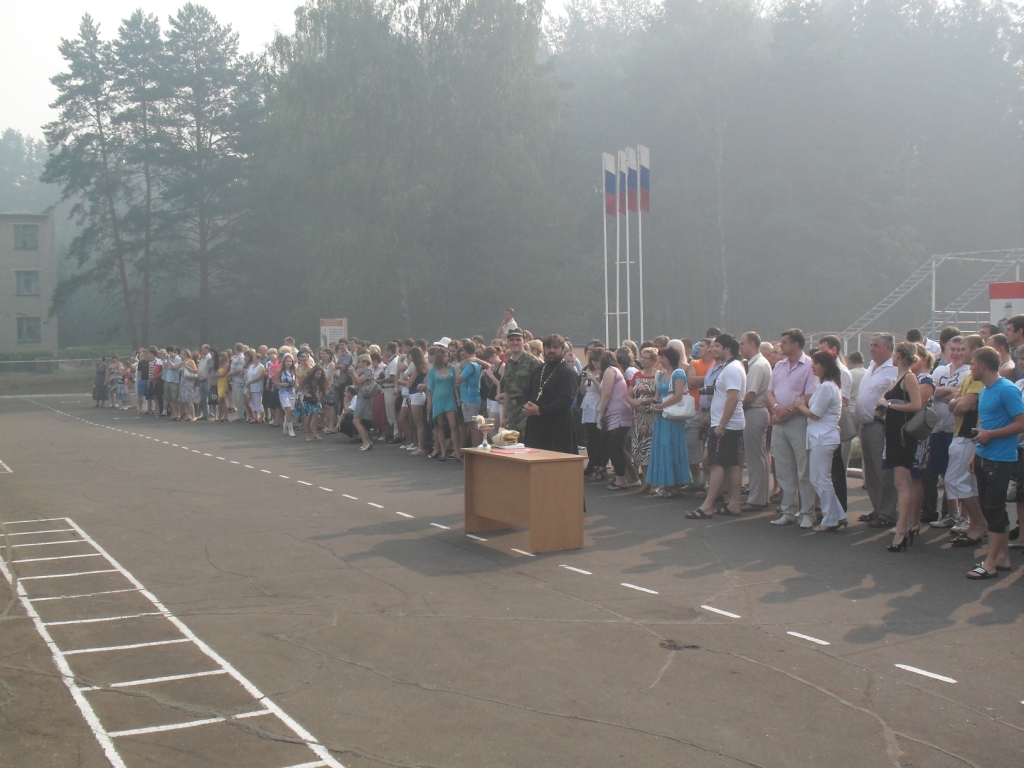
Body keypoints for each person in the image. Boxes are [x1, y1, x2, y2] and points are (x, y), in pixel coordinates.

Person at [968, 346, 1024, 578]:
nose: (970, 368)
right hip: (984, 455)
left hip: (1000, 459)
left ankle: (990, 563)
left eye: (972, 364)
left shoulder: (1007, 389)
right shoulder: (985, 390)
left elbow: (1021, 423)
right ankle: (1002, 558)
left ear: (982, 366)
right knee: (991, 509)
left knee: (994, 509)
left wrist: (990, 435)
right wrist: (975, 453)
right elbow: (986, 425)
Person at [689, 335, 745, 518]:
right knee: (732, 464)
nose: (713, 349)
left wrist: (722, 424)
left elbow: (733, 398)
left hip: (726, 425)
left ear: (727, 349)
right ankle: (734, 504)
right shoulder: (728, 368)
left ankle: (707, 506)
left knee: (716, 464)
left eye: (717, 346)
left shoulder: (732, 369)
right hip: (726, 423)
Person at [766, 329, 818, 527]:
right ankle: (788, 510)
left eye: (785, 342)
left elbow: (810, 394)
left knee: (803, 468)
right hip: (780, 421)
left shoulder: (809, 365)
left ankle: (808, 513)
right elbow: (769, 392)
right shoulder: (779, 365)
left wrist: (788, 411)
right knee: (783, 468)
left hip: (798, 421)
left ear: (796, 344)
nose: (781, 345)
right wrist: (776, 408)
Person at [876, 342, 923, 552]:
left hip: (904, 435)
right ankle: (907, 525)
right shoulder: (899, 377)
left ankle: (902, 529)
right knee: (901, 483)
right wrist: (884, 407)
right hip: (894, 433)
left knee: (901, 483)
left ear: (900, 355)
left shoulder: (909, 377)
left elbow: (916, 405)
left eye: (894, 353)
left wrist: (889, 405)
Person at [794, 350, 847, 531]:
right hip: (822, 435)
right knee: (819, 478)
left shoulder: (827, 387)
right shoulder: (825, 385)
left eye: (816, 363)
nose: (812, 367)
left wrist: (801, 406)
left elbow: (815, 414)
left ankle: (831, 518)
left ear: (824, 366)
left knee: (820, 479)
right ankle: (837, 514)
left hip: (823, 436)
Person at [855, 333, 899, 528]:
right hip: (865, 425)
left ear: (888, 348)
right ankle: (878, 509)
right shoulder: (872, 366)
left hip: (880, 426)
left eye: (876, 345)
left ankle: (888, 513)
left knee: (883, 472)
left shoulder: (893, 369)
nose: (872, 348)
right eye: (871, 345)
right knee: (871, 472)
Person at [946, 335, 987, 544]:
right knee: (969, 484)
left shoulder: (978, 377)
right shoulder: (970, 376)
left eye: (964, 349)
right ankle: (975, 523)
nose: (960, 353)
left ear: (976, 350)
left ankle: (979, 522)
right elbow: (954, 405)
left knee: (954, 481)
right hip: (961, 433)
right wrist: (958, 402)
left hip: (967, 435)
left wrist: (958, 403)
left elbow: (962, 406)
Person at [522, 334, 579, 454]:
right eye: (548, 347)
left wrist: (540, 410)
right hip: (536, 425)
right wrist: (527, 405)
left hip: (558, 426)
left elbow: (566, 400)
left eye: (555, 347)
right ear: (544, 349)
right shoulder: (538, 369)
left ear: (562, 349)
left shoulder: (567, 372)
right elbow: (528, 392)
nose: (551, 350)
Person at [647, 346, 691, 496]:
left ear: (670, 359)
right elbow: (657, 394)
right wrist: (654, 405)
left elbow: (678, 394)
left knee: (671, 446)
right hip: (661, 416)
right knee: (661, 447)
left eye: (663, 358)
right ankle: (665, 483)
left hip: (672, 416)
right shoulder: (661, 375)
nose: (660, 360)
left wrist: (661, 406)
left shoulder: (678, 374)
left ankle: (674, 484)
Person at [740, 332, 771, 510]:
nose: (740, 347)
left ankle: (756, 499)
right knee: (759, 457)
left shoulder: (758, 365)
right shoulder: (755, 363)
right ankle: (760, 496)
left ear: (752, 344)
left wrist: (735, 408)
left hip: (753, 411)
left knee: (755, 458)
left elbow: (750, 395)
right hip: (755, 411)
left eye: (742, 343)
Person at [598, 350, 634, 490]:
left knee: (615, 448)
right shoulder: (616, 371)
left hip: (617, 413)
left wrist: (601, 413)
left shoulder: (609, 371)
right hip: (620, 412)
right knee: (617, 447)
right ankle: (627, 477)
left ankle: (621, 480)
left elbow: (606, 393)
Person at [627, 346, 659, 494]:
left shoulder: (658, 376)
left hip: (652, 417)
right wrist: (634, 404)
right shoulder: (637, 375)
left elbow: (660, 395)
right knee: (641, 449)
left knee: (651, 450)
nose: (642, 360)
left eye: (645, 358)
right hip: (638, 418)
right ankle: (646, 481)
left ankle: (655, 482)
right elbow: (628, 395)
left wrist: (643, 401)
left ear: (653, 360)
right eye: (641, 357)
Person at [502, 329, 541, 438]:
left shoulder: (533, 362)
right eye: (511, 340)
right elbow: (507, 392)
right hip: (512, 412)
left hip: (526, 411)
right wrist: (504, 416)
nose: (515, 342)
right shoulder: (508, 364)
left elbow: (539, 390)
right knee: (512, 443)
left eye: (518, 339)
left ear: (524, 341)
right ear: (507, 342)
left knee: (527, 443)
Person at [427, 347, 460, 461]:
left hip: (449, 398)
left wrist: (458, 399)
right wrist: (429, 403)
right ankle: (443, 451)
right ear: (440, 357)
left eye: (448, 356)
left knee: (453, 425)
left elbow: (455, 385)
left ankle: (457, 451)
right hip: (437, 399)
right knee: (439, 426)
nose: (447, 358)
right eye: (445, 356)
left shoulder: (452, 368)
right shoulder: (432, 370)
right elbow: (430, 388)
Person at [581, 347, 607, 480]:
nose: (595, 363)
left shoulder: (605, 372)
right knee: (590, 438)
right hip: (588, 405)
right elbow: (582, 391)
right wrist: (583, 380)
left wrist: (594, 379)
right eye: (593, 360)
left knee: (599, 439)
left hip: (598, 405)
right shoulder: (588, 369)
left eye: (597, 360)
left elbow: (602, 391)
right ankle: (592, 464)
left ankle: (600, 466)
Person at [456, 341, 484, 449]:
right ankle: (475, 449)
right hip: (470, 398)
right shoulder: (475, 363)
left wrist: (457, 369)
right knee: (472, 427)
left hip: (470, 399)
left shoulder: (471, 365)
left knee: (474, 428)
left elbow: (459, 379)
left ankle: (477, 450)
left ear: (465, 351)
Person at [351, 354, 377, 451]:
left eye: (359, 361)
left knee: (356, 420)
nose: (358, 363)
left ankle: (365, 442)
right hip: (361, 395)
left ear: (365, 362)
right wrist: (353, 374)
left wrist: (354, 372)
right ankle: (367, 441)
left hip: (365, 397)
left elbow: (360, 379)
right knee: (359, 420)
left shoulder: (368, 370)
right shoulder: (362, 371)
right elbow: (356, 382)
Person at [275, 353, 298, 436]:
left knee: (290, 411)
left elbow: (296, 382)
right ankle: (290, 429)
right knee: (287, 409)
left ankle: (286, 424)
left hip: (292, 392)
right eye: (287, 361)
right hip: (283, 392)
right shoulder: (280, 371)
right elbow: (275, 381)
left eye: (290, 361)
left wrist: (299, 387)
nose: (289, 363)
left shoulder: (294, 371)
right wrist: (282, 384)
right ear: (284, 362)